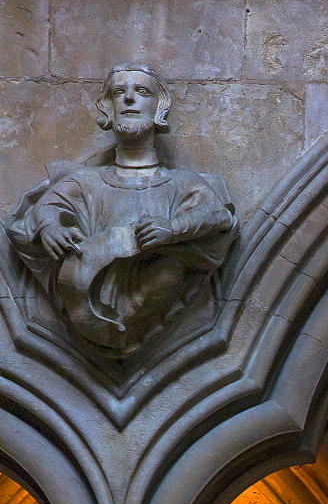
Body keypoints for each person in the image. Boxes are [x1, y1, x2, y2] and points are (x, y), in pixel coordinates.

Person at [6, 64, 237, 355]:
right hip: (89, 279)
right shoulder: (86, 180)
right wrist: (50, 227)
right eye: (119, 92)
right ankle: (101, 319)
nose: (128, 99)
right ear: (109, 109)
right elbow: (46, 207)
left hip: (151, 280)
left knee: (168, 271)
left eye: (141, 92)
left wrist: (174, 229)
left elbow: (217, 216)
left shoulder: (182, 182)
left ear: (159, 109)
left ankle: (119, 320)